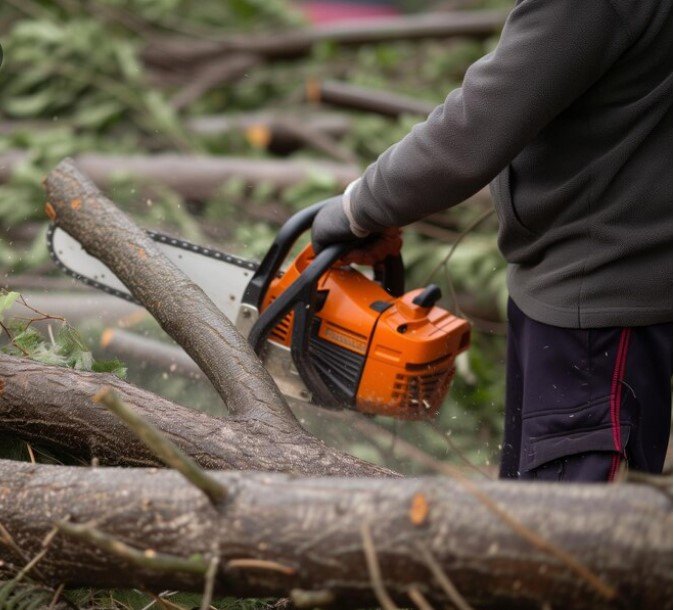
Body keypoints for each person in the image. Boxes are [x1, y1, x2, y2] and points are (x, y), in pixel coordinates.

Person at [311, 0, 673, 482]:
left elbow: (482, 121)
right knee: (526, 514)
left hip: (600, 301)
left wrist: (360, 207)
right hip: (574, 283)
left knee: (567, 535)